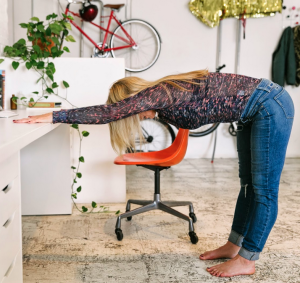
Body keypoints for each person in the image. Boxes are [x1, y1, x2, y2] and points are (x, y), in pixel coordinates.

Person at [13, 70, 294, 277]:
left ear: (132, 100)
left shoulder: (159, 93)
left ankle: (248, 259)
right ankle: (234, 246)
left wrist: (54, 115)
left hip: (270, 105)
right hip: (252, 113)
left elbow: (107, 113)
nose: (133, 117)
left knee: (264, 190)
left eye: (130, 111)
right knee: (248, 187)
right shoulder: (162, 103)